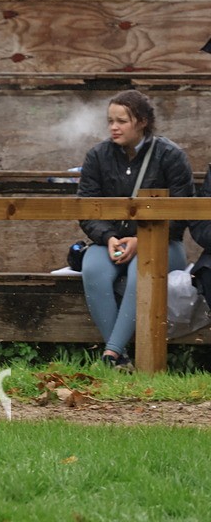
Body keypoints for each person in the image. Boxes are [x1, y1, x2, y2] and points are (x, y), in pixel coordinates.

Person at [76, 89, 193, 369]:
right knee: (92, 270)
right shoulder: (98, 156)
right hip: (110, 242)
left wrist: (141, 240)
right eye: (110, 121)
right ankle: (121, 361)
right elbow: (87, 209)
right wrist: (109, 237)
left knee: (140, 271)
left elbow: (181, 213)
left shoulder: (170, 155)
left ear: (142, 122)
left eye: (122, 121)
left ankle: (112, 353)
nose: (113, 127)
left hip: (163, 244)